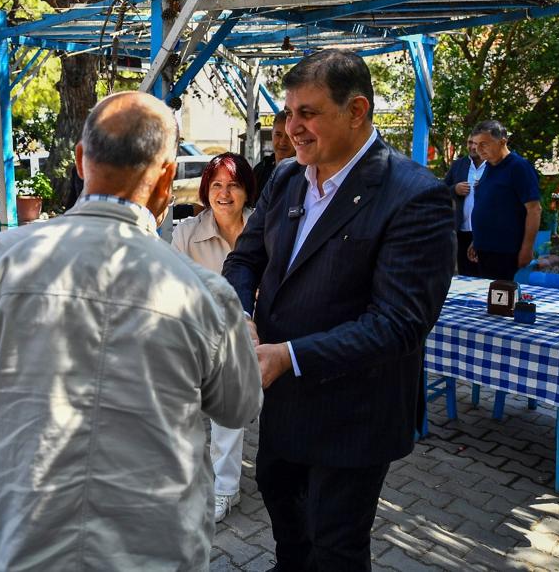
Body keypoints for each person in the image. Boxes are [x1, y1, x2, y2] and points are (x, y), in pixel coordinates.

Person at [0, 91, 262, 571]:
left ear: (80, 161)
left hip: (16, 547)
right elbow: (239, 406)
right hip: (157, 552)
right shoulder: (205, 294)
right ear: (167, 178)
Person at [222, 50, 455, 572]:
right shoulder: (287, 178)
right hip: (281, 402)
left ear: (357, 111)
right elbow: (244, 260)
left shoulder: (415, 196)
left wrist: (289, 355)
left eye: (308, 113)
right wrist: (241, 316)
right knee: (289, 537)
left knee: (334, 551)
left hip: (353, 415)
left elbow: (400, 323)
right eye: (289, 113)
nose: (292, 128)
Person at [170, 152, 256, 523]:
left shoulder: (264, 228)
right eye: (216, 185)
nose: (224, 193)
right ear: (206, 190)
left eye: (233, 185)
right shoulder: (186, 233)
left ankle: (225, 487)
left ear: (247, 191)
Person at [467, 120, 541, 281]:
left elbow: (534, 209)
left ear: (502, 142)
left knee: (501, 294)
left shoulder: (519, 167)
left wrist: (527, 248)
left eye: (484, 144)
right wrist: (476, 240)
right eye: (476, 144)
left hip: (506, 251)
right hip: (484, 249)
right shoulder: (489, 166)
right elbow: (489, 205)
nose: (478, 149)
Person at [443, 135, 486, 276]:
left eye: (476, 143)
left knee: (486, 275)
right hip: (463, 231)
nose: (472, 147)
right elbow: (441, 189)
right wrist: (454, 189)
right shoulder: (458, 165)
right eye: (470, 143)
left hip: (486, 232)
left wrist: (486, 187)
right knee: (465, 275)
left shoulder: (493, 165)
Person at [252, 111, 296, 196]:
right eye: (278, 135)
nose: (282, 142)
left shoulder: (307, 174)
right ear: (272, 134)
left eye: (289, 136)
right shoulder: (260, 170)